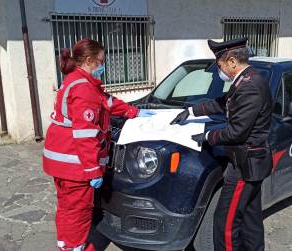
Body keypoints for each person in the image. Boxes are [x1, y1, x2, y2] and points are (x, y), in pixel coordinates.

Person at [43, 39, 154, 251]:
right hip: (75, 165)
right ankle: (74, 247)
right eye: (101, 61)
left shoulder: (77, 80)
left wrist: (133, 111)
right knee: (79, 212)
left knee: (67, 209)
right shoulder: (84, 88)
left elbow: (106, 102)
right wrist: (93, 171)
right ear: (88, 60)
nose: (103, 65)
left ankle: (65, 245)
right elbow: (86, 136)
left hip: (62, 162)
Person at [170, 38, 272, 251]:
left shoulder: (250, 86)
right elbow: (221, 102)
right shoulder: (246, 80)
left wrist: (206, 136)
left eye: (220, 65)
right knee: (250, 220)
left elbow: (236, 132)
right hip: (252, 162)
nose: (219, 70)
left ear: (233, 62)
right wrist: (189, 112)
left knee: (225, 223)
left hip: (245, 165)